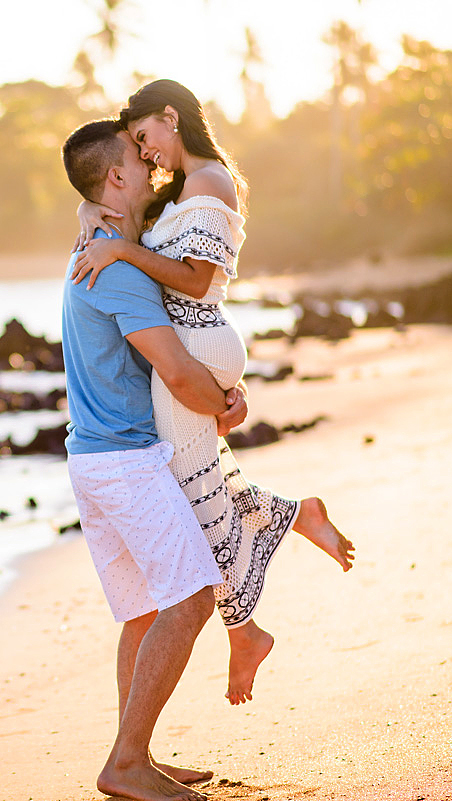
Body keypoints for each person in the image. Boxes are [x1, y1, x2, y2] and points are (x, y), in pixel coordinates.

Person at [71, 79, 355, 706]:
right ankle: (288, 531)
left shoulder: (209, 182)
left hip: (196, 345)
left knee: (195, 495)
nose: (145, 153)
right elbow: (116, 203)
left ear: (171, 117)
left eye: (145, 137)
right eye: (135, 147)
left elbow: (198, 282)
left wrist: (121, 251)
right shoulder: (176, 190)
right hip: (196, 352)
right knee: (202, 486)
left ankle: (245, 627)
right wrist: (90, 216)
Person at [60, 118, 246, 801]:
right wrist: (226, 403)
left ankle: (132, 754)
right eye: (138, 158)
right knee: (191, 599)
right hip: (126, 462)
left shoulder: (104, 244)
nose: (150, 161)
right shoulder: (115, 265)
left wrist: (90, 213)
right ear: (116, 178)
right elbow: (175, 370)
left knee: (144, 611)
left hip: (94, 457)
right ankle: (128, 763)